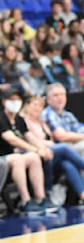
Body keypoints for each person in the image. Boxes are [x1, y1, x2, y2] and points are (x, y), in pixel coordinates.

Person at [0, 86, 50, 216]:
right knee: (18, 158)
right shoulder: (1, 118)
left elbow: (30, 137)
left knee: (33, 157)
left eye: (18, 100)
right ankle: (25, 201)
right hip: (3, 158)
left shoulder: (19, 119)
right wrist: (34, 148)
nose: (15, 103)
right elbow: (12, 140)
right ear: (4, 101)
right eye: (12, 100)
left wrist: (41, 148)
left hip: (12, 157)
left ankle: (41, 198)